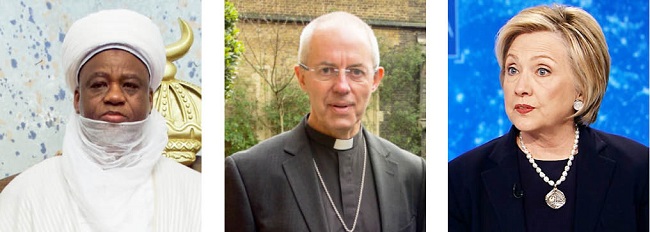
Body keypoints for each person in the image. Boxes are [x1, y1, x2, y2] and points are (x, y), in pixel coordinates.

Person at [448, 4, 649, 232]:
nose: (521, 87)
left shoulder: (639, 169)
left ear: (582, 87)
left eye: (542, 71)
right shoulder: (460, 179)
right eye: (513, 69)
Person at [0, 9, 201, 231]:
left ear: (150, 99)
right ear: (77, 99)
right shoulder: (26, 194)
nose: (114, 96)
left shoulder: (195, 193)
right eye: (98, 85)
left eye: (130, 86)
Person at [225, 11, 426, 232]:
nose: (342, 86)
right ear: (302, 78)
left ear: (375, 80)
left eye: (356, 72)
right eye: (327, 70)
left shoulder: (413, 174)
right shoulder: (249, 175)